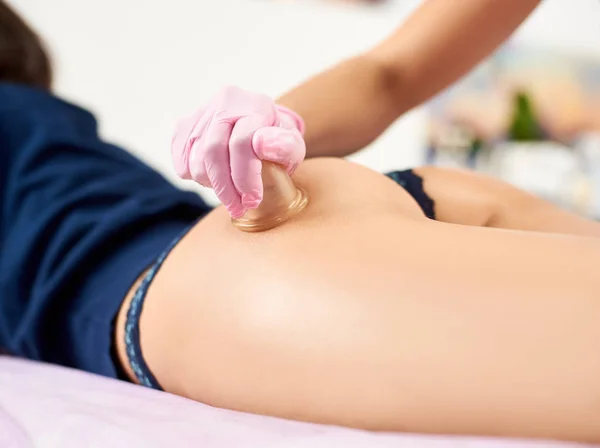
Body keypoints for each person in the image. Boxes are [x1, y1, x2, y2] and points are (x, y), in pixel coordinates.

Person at [2, 0, 600, 444]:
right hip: (287, 231)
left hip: (218, 279)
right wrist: (271, 128)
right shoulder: (46, 129)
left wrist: (266, 132)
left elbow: (387, 72)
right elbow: (387, 74)